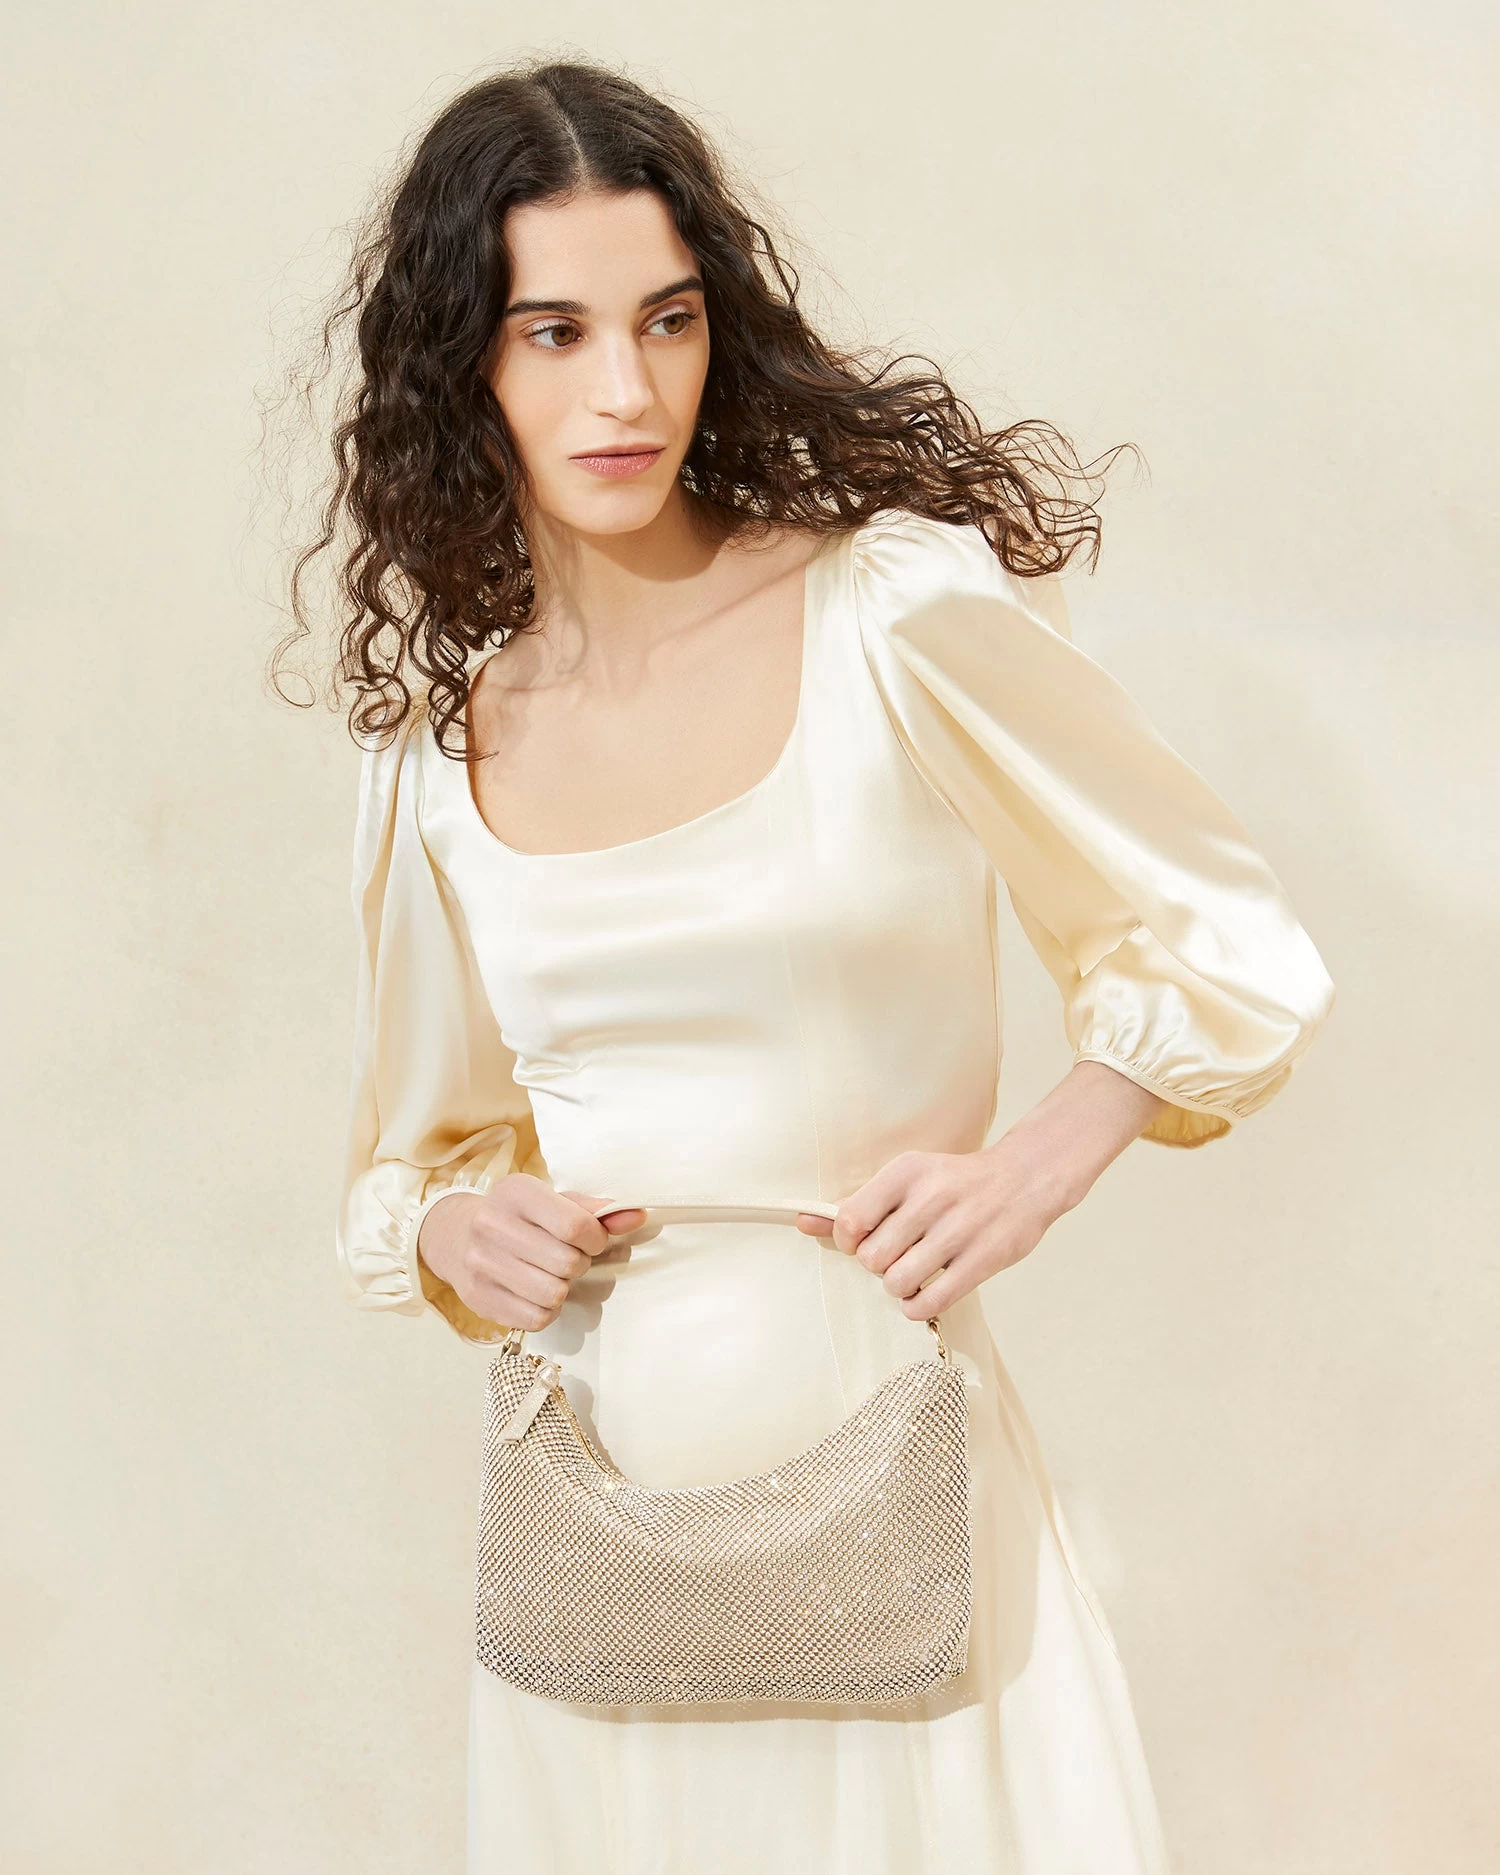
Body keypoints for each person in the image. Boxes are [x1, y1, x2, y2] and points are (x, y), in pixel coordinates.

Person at [298, 55, 1336, 1875]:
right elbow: (424, 1155)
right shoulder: (433, 757)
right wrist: (458, 1232)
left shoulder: (891, 614)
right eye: (554, 333)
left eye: (667, 319)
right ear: (463, 365)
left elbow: (1220, 937)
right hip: (597, 1559)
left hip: (900, 1508)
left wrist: (1040, 1159)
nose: (626, 391)